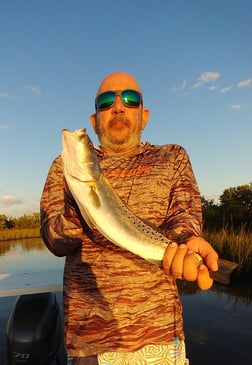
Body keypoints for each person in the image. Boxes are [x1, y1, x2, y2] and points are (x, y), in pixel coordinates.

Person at [40, 71, 218, 365]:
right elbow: (56, 241)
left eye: (130, 99)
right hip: (92, 344)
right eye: (107, 100)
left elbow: (184, 220)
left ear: (144, 116)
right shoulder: (64, 167)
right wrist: (79, 197)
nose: (119, 106)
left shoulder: (172, 157)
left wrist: (189, 244)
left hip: (161, 338)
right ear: (95, 120)